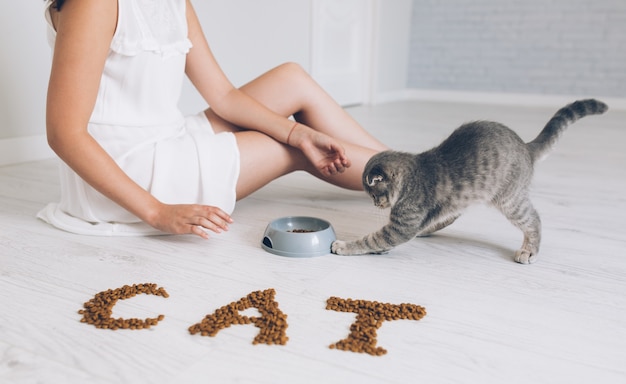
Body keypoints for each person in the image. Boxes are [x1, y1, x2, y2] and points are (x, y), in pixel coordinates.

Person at [38, 0, 388, 238]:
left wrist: (298, 132)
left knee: (290, 79)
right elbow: (64, 133)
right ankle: (417, 186)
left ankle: (413, 171)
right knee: (282, 148)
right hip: (126, 169)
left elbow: (223, 96)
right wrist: (158, 212)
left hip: (170, 138)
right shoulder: (94, 4)